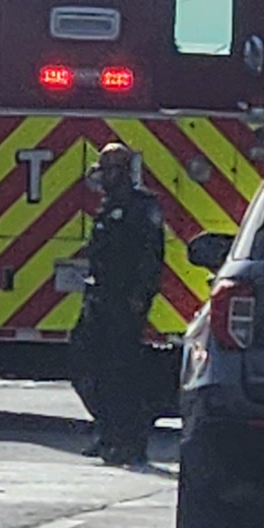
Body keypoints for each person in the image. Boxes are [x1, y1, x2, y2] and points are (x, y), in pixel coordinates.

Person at [75, 144, 166, 466]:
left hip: (125, 303)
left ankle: (129, 442)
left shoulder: (142, 207)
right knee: (87, 366)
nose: (104, 176)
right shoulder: (109, 205)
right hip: (100, 298)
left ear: (122, 171)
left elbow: (150, 257)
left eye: (110, 169)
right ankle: (107, 432)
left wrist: (140, 296)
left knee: (122, 374)